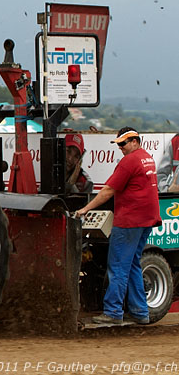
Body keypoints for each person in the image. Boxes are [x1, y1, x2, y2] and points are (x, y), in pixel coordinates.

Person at [75, 127, 161, 325]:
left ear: (134, 141)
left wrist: (85, 209)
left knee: (118, 266)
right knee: (131, 265)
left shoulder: (129, 161)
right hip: (146, 219)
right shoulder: (146, 157)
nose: (120, 147)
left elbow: (108, 191)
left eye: (123, 143)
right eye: (118, 144)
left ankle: (113, 312)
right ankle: (140, 312)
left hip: (130, 220)